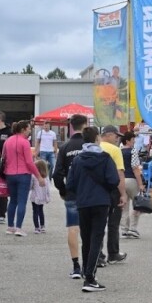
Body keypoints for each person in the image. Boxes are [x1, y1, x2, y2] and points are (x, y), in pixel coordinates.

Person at [66, 127, 119, 292]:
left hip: (83, 202)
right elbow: (113, 180)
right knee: (97, 238)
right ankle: (90, 277)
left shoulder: (78, 160)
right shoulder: (105, 158)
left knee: (86, 238)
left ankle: (86, 271)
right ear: (97, 138)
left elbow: (70, 184)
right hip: (101, 202)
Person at [53, 114, 88, 279]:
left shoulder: (65, 147)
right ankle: (91, 262)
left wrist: (63, 190)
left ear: (71, 126)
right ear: (85, 125)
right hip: (90, 192)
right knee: (91, 228)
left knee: (73, 228)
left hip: (72, 192)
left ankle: (76, 266)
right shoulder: (90, 145)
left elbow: (57, 173)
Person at [3, 120, 46, 237]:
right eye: (28, 129)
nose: (29, 130)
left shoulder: (8, 141)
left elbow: (4, 158)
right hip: (23, 174)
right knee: (22, 201)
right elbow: (29, 162)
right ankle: (18, 228)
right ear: (23, 130)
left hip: (9, 174)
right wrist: (38, 176)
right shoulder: (25, 142)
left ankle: (10, 227)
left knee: (12, 201)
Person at [99, 125, 128, 265]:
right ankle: (113, 253)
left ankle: (97, 254)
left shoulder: (94, 146)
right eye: (116, 136)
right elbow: (119, 173)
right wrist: (123, 193)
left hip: (96, 190)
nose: (118, 139)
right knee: (113, 223)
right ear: (108, 134)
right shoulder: (115, 150)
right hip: (112, 190)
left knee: (98, 224)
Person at [120, 131, 145, 239]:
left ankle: (124, 229)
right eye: (133, 140)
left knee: (124, 206)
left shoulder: (119, 151)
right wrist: (140, 184)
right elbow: (135, 168)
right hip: (131, 179)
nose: (134, 142)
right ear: (127, 141)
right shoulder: (133, 151)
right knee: (137, 204)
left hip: (121, 180)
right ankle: (132, 228)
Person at [30, 159, 51, 234]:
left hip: (35, 197)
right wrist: (48, 197)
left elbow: (30, 186)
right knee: (41, 211)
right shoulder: (46, 177)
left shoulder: (33, 176)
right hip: (42, 197)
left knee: (35, 212)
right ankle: (42, 226)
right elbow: (48, 188)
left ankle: (36, 227)